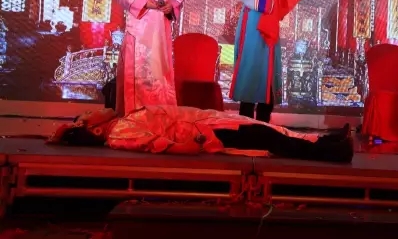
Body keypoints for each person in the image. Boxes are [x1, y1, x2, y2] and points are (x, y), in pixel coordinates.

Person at [46, 105, 354, 163]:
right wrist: (197, 143)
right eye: (87, 115)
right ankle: (334, 153)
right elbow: (160, 145)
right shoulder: (119, 133)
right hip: (208, 131)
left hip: (209, 121)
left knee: (269, 130)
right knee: (272, 140)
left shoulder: (123, 122)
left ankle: (329, 140)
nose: (93, 110)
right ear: (95, 128)